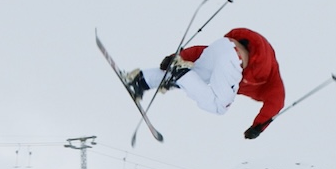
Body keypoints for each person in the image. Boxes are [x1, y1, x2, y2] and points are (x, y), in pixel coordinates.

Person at [122, 28, 286, 139]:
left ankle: (139, 80)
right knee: (218, 106)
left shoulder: (234, 67)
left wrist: (177, 56)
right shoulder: (273, 81)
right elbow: (276, 103)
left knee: (196, 78)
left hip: (224, 44)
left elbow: (201, 52)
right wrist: (258, 127)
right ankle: (180, 72)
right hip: (236, 57)